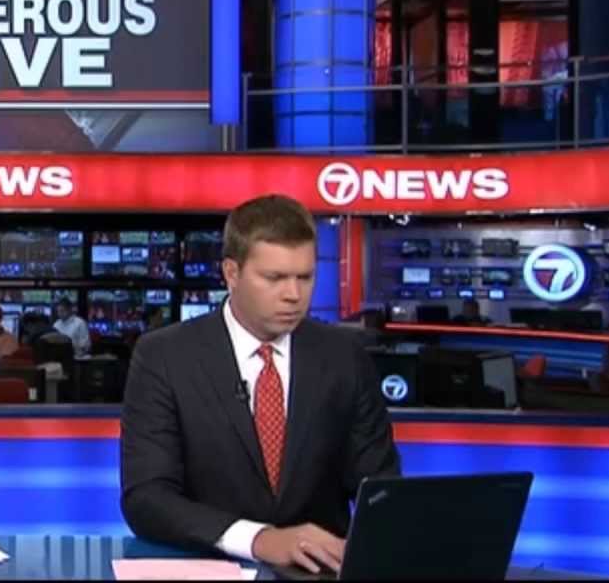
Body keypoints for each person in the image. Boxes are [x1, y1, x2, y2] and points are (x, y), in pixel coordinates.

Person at [120, 194, 401, 576]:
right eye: (274, 278)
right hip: (208, 569)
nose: (293, 295)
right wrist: (259, 539)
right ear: (231, 273)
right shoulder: (165, 356)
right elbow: (147, 498)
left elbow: (380, 488)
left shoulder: (344, 356)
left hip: (319, 572)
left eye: (305, 277)